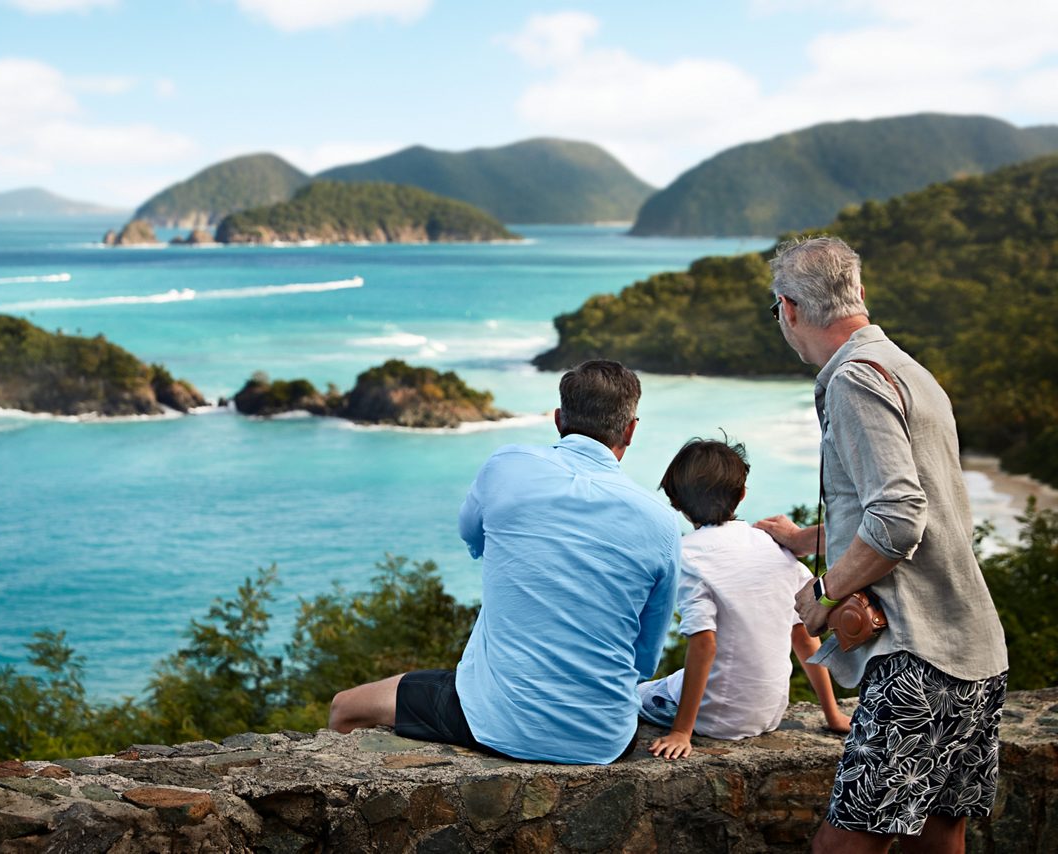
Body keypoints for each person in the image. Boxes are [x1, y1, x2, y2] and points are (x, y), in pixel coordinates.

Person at [754, 237, 1008, 854]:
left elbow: (898, 519)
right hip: (973, 650)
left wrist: (822, 593)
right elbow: (913, 506)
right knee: (937, 839)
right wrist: (807, 538)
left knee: (839, 849)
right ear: (859, 295)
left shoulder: (854, 380)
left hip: (917, 655)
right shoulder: (909, 369)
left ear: (788, 310)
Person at [328, 359, 680, 764]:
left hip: (491, 717)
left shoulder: (507, 466)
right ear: (631, 430)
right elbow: (644, 661)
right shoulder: (662, 524)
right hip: (603, 736)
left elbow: (471, 536)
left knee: (345, 708)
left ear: (559, 419)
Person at [638, 436, 851, 761]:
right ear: (741, 494)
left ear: (676, 503)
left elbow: (704, 643)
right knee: (673, 681)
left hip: (716, 720)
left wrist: (682, 732)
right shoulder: (777, 547)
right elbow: (804, 637)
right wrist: (833, 715)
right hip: (768, 713)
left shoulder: (688, 555)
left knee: (631, 693)